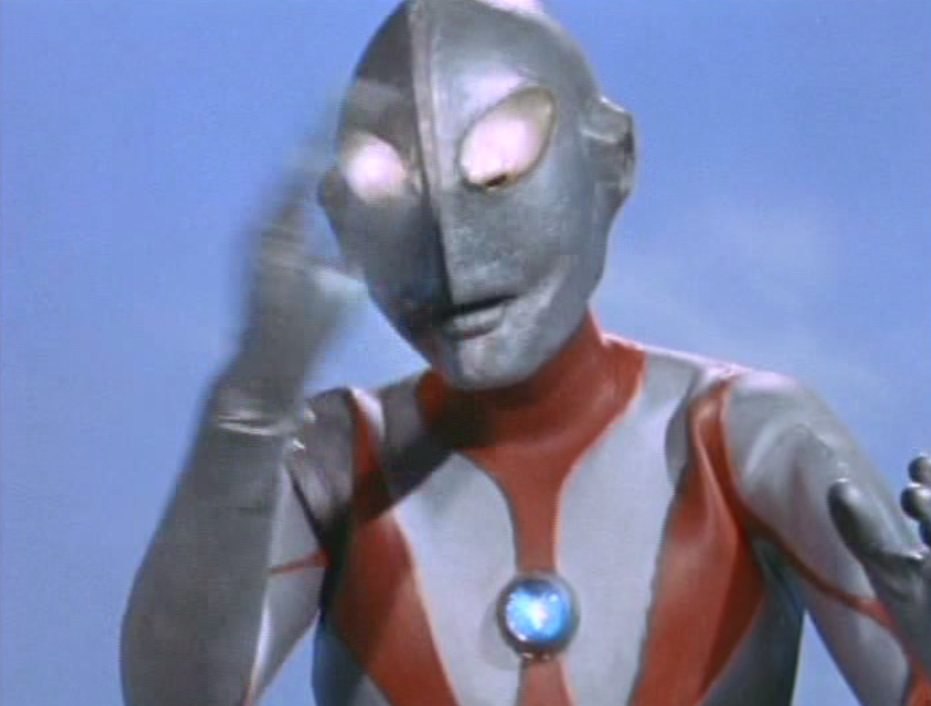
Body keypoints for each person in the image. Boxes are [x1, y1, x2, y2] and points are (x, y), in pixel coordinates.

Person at [121, 1, 931, 704]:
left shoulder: (746, 438)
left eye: (499, 162)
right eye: (389, 183)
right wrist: (252, 408)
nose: (450, 247)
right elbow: (178, 694)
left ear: (612, 158)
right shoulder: (333, 460)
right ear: (341, 216)